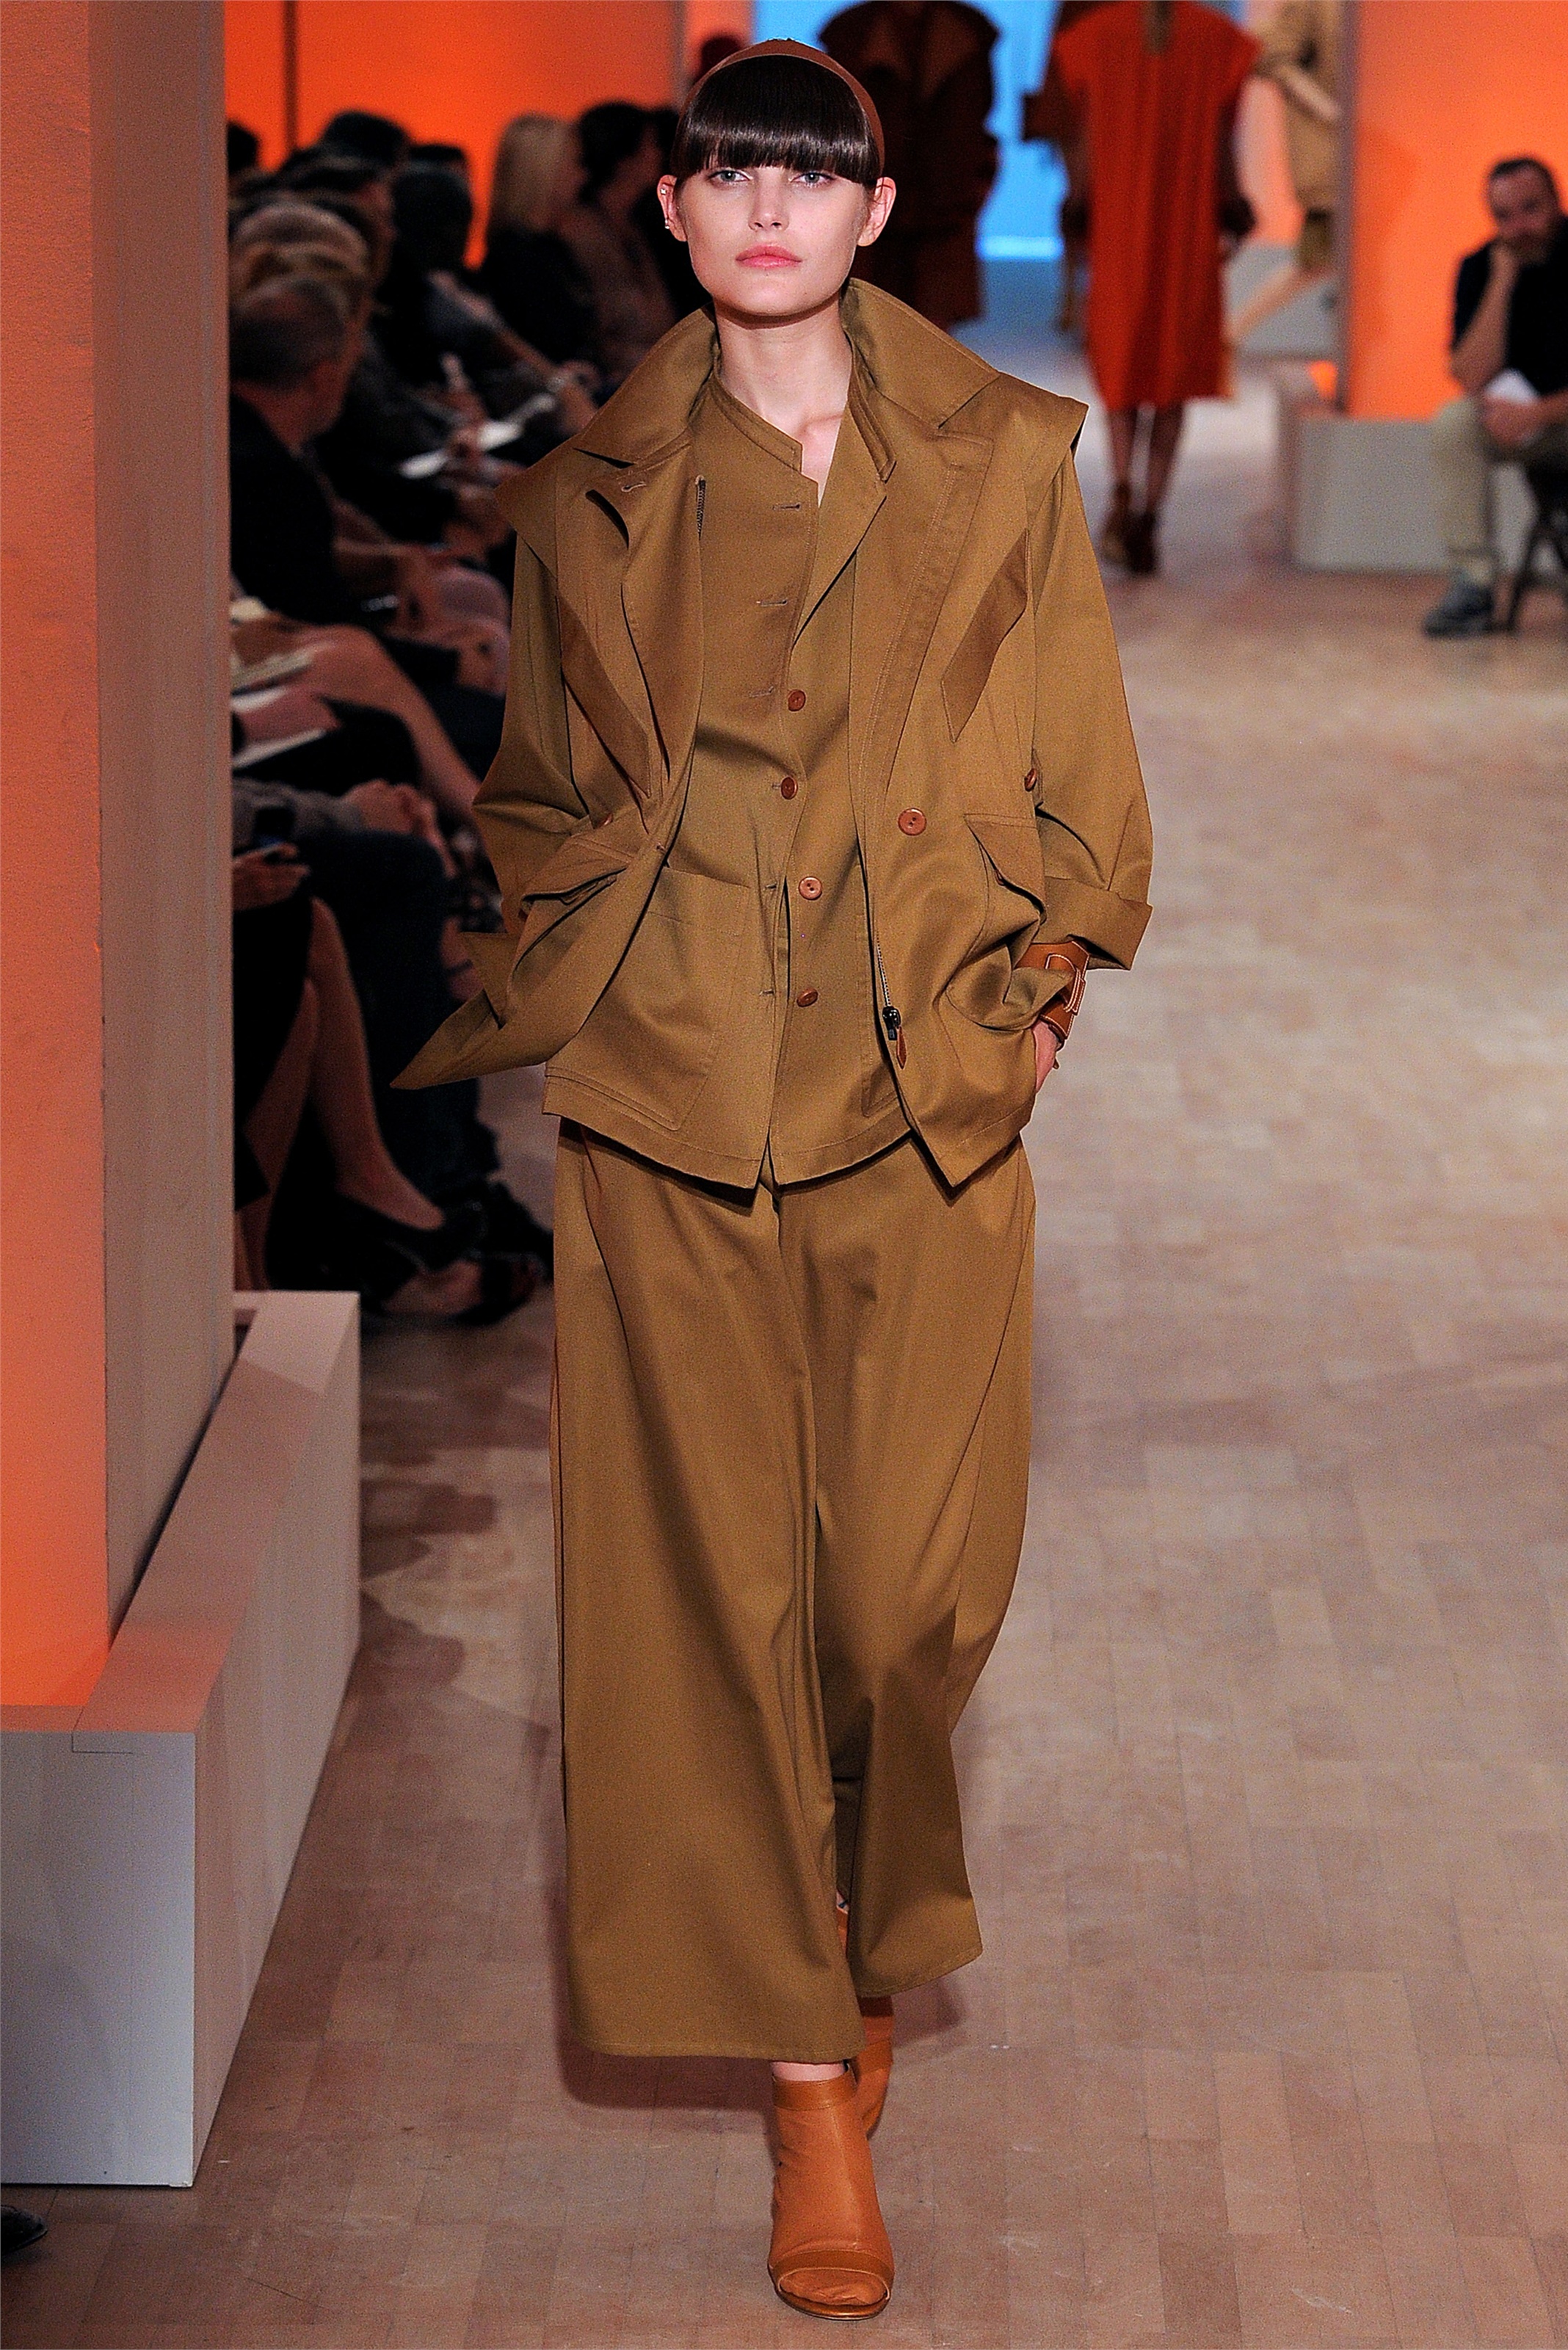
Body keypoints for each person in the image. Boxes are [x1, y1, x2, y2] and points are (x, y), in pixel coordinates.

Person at [399, 40, 1150, 2320]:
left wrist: (1041, 992)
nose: (763, 208)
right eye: (728, 169)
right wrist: (561, 966)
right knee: (698, 1593)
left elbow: (1077, 745)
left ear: (877, 208)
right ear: (671, 204)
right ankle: (808, 2064)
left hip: (923, 1082)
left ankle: (856, 1922)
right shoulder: (591, 492)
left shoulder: (1002, 459)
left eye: (809, 176)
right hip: (669, 1089)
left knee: (906, 1597)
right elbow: (543, 787)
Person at [1054, 0, 1258, 574]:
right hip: (1186, 230)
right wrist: (1233, 206)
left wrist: (1079, 204)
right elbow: (1222, 139)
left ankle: (1121, 488)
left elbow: (1082, 135)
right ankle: (1150, 511)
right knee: (1174, 371)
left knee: (1123, 364)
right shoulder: (1216, 39)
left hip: (1120, 226)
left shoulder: (1096, 35)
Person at [1423, 156, 1568, 639]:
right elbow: (1470, 376)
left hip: (1554, 413)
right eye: (1504, 216)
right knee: (1455, 423)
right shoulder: (1481, 266)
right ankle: (1474, 581)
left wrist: (1541, 411)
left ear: (1557, 202)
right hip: (1523, 423)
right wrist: (1502, 285)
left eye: (1531, 209)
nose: (1519, 227)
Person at [822, 0, 999, 332]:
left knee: (933, 323)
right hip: (873, 194)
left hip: (945, 200)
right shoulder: (851, 33)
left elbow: (977, 112)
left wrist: (972, 183)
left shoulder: (967, 32)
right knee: (868, 317)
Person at [1228, 0, 1340, 349]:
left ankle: (1229, 335)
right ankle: (1228, 336)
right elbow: (1265, 50)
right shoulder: (1316, 6)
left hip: (1369, 154)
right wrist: (1323, 106)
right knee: (1315, 260)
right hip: (1336, 157)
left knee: (1320, 262)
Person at [560, 102, 675, 377]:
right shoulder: (582, 232)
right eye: (649, 145)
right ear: (624, 159)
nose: (658, 154)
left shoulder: (636, 225)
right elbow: (608, 328)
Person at [482, 115, 602, 371]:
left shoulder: (554, 248)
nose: (583, 176)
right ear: (545, 171)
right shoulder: (513, 261)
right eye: (575, 163)